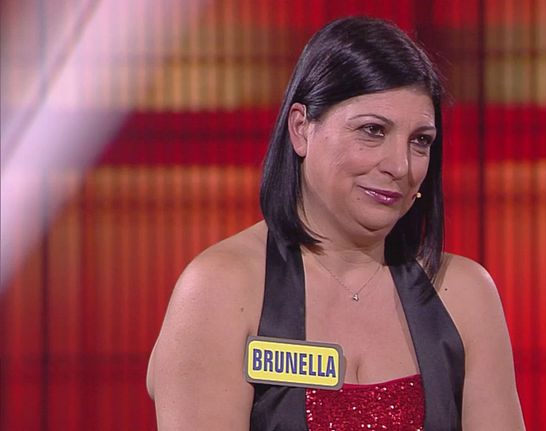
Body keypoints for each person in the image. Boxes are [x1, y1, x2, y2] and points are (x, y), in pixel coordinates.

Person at [146, 16, 525, 430]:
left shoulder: (464, 293)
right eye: (373, 130)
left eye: (420, 140)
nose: (401, 166)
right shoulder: (221, 288)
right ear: (301, 129)